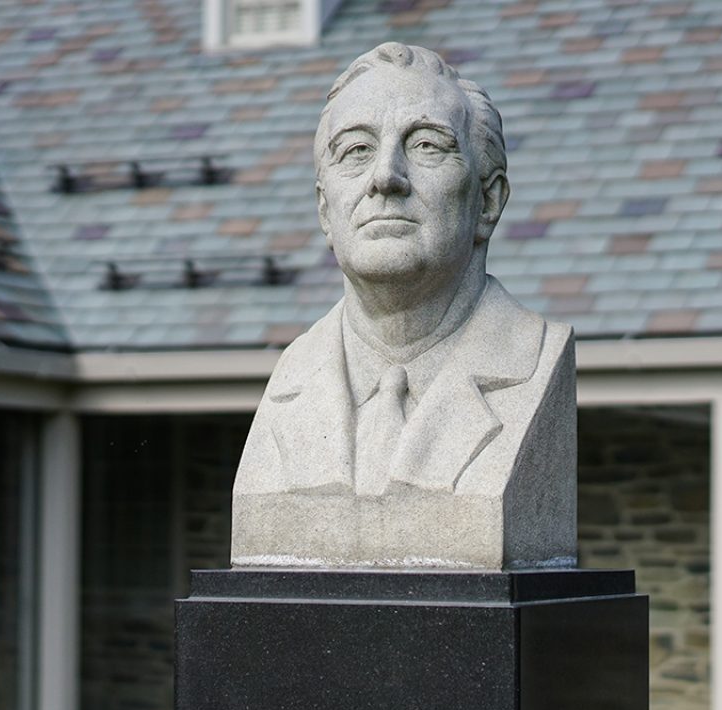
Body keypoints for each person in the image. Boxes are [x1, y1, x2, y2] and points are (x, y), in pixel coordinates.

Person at [231, 42, 576, 569]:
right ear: (326, 210)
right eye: (356, 150)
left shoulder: (535, 359)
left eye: (427, 145)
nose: (386, 177)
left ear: (487, 201)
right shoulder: (292, 376)